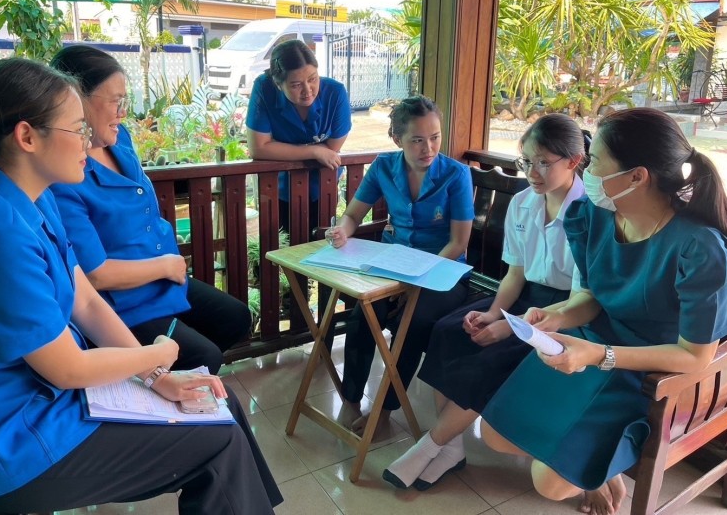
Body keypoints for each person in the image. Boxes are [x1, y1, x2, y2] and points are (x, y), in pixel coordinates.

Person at [0, 58, 282, 514]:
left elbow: (84, 299)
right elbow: (66, 369)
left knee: (215, 406)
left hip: (41, 404)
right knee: (218, 440)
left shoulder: (30, 197)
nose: (88, 142)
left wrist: (159, 377)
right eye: (77, 129)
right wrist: (156, 356)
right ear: (27, 137)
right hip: (6, 442)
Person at [480, 108, 727, 515]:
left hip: (653, 372)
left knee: (548, 483)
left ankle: (593, 467)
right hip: (594, 343)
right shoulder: (594, 216)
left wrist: (599, 356)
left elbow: (695, 356)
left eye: (595, 162)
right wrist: (557, 315)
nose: (586, 171)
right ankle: (594, 468)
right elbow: (590, 298)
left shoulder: (699, 247)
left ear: (636, 176)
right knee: (493, 434)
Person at [382, 113, 588, 490]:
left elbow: (580, 299)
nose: (532, 172)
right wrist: (493, 313)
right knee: (448, 331)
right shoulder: (524, 202)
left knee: (493, 357)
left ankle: (430, 445)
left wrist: (509, 326)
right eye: (526, 161)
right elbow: (515, 274)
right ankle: (452, 448)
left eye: (544, 162)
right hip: (523, 298)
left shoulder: (590, 214)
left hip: (565, 313)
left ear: (573, 161)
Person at [50, 45, 250, 376]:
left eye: (125, 101)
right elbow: (94, 274)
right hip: (125, 299)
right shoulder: (65, 174)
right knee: (205, 356)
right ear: (75, 99)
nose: (122, 112)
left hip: (162, 277)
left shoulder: (119, 138)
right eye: (115, 101)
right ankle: (161, 384)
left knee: (236, 318)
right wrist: (165, 265)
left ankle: (169, 381)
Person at [327, 95, 474, 435]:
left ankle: (384, 410)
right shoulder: (384, 167)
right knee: (364, 314)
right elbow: (353, 215)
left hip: (443, 273)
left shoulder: (456, 175)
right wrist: (342, 231)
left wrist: (415, 283)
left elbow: (458, 243)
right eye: (417, 140)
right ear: (397, 139)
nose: (428, 148)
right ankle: (351, 399)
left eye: (435, 137)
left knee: (413, 321)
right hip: (393, 267)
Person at [246, 39, 351, 233]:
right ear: (278, 84)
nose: (308, 90)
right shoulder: (264, 87)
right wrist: (314, 151)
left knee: (321, 241)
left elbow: (332, 148)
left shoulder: (335, 92)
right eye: (296, 85)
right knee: (281, 242)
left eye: (313, 79)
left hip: (323, 183)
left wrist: (278, 147)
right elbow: (258, 148)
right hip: (277, 186)